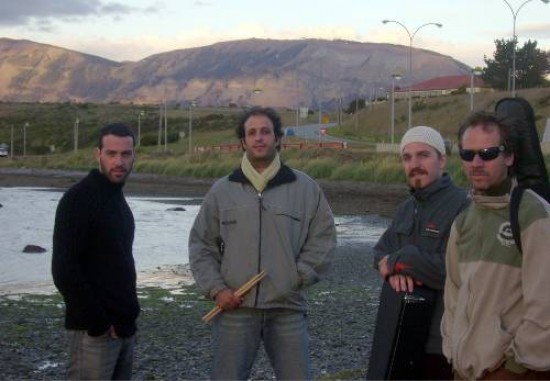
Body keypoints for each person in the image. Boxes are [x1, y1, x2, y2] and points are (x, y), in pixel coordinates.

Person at [189, 106, 336, 380]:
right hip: (235, 310)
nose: (259, 138)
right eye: (252, 133)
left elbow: (324, 238)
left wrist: (295, 277)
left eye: (266, 132)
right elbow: (201, 245)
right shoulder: (222, 191)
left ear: (278, 138)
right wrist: (216, 290)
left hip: (287, 308)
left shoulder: (305, 188)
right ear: (243, 142)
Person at [442, 111, 550, 380]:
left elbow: (545, 303)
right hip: (464, 370)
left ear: (509, 156)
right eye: (468, 154)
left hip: (513, 371)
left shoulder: (532, 214)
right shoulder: (462, 222)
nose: (476, 162)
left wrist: (515, 366)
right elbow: (453, 297)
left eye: (488, 153)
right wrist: (452, 351)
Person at [373, 126, 469, 379]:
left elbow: (454, 272)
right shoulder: (406, 208)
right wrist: (391, 271)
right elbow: (380, 252)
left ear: (442, 159)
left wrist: (401, 260)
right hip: (401, 332)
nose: (414, 164)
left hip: (444, 342)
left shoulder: (464, 207)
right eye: (407, 157)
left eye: (423, 155)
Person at [52, 123, 140, 380]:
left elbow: (118, 264)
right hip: (93, 333)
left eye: (125, 154)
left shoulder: (117, 200)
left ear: (135, 155)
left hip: (124, 330)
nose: (119, 161)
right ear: (97, 154)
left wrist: (129, 318)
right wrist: (98, 323)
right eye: (111, 154)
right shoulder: (79, 199)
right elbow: (64, 269)